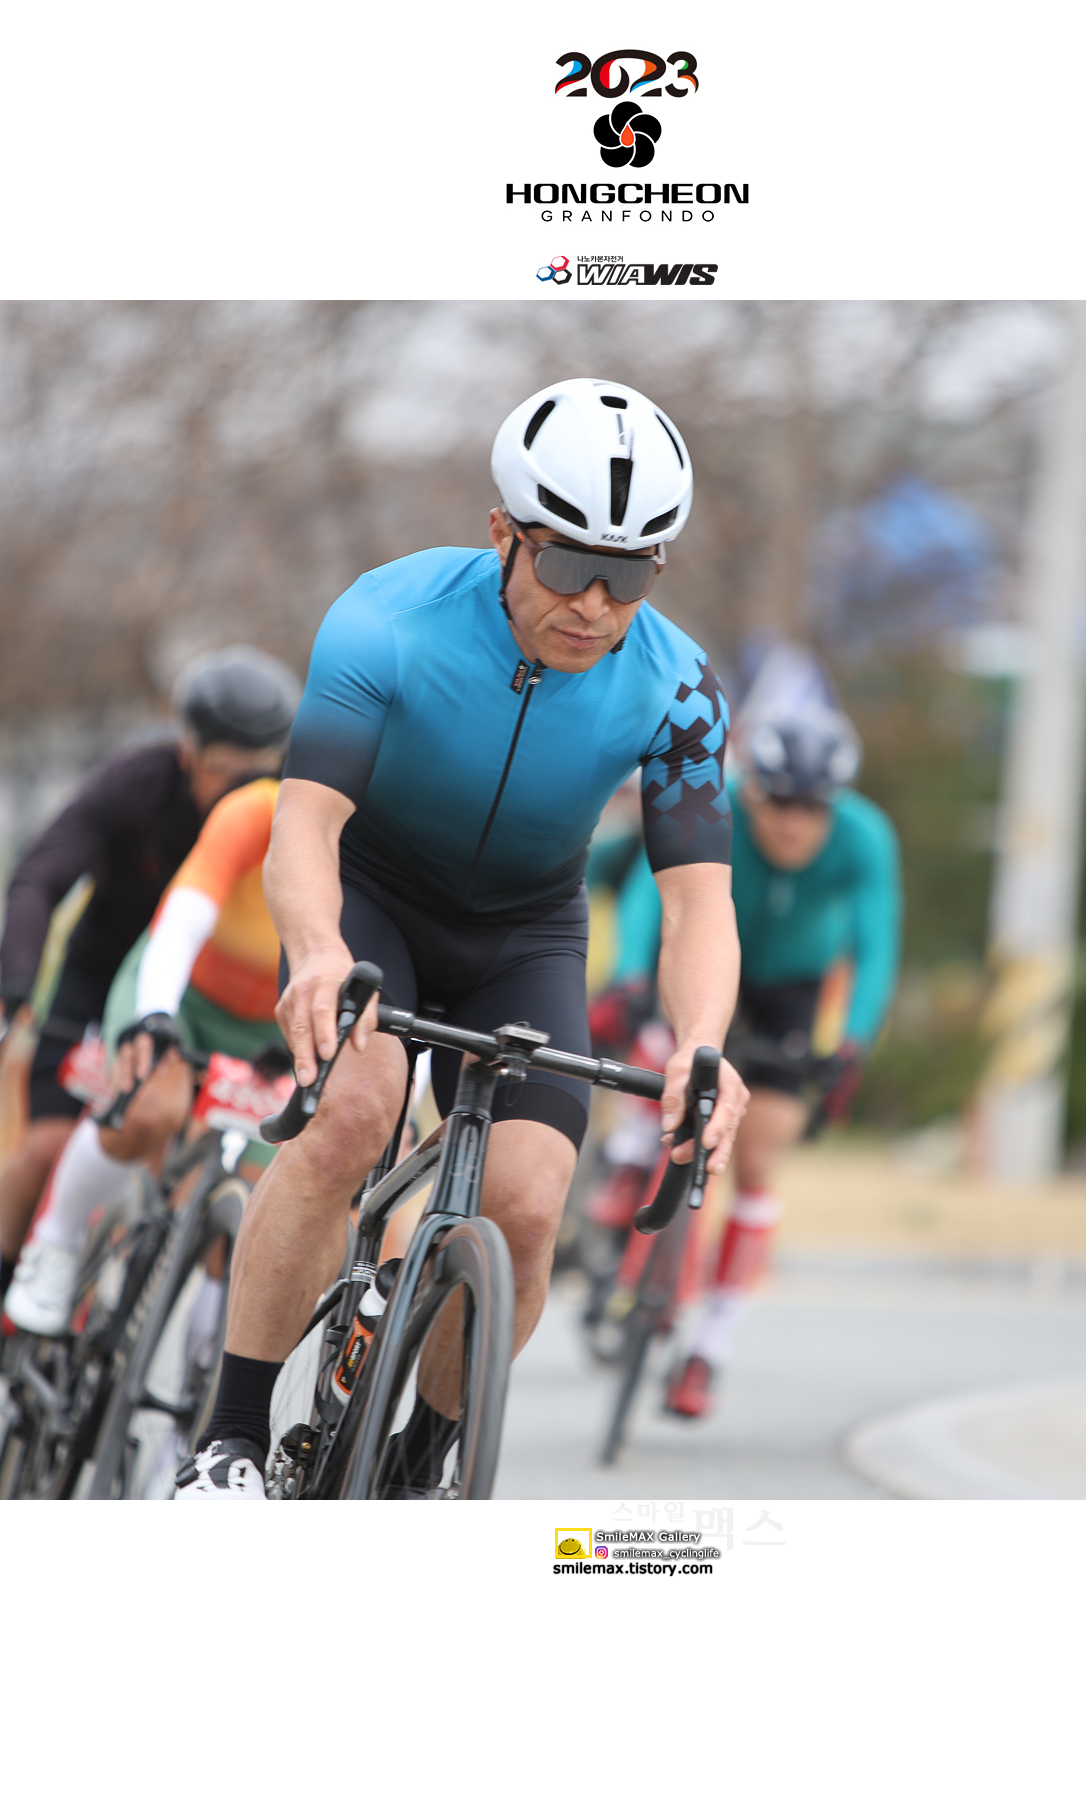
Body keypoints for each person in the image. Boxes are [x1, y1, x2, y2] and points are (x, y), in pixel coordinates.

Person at [176, 375, 751, 1499]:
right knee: (353, 1113)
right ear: (502, 533)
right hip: (372, 898)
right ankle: (229, 1441)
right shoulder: (386, 618)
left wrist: (701, 1043)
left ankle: (418, 1469)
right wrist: (317, 949)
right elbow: (305, 827)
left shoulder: (681, 686)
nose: (595, 604)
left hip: (526, 934)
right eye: (567, 566)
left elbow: (697, 903)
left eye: (629, 575)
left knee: (528, 1204)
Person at [0, 648, 301, 1378]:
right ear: (187, 749)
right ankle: (6, 1289)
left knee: (219, 1186)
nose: (246, 787)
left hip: (218, 999)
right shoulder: (136, 785)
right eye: (227, 769)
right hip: (103, 984)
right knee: (52, 1147)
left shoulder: (278, 814)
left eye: (261, 770)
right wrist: (15, 982)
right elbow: (40, 875)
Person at [604, 705, 902, 1418]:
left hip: (790, 991)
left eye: (813, 807)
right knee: (663, 1047)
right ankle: (630, 1151)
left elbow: (876, 947)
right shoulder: (718, 804)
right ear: (754, 788)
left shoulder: (865, 837)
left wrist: (852, 1044)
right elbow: (649, 892)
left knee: (761, 1160)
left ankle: (711, 1345)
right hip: (710, 964)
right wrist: (630, 977)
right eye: (780, 802)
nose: (794, 823)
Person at [2, 763, 294, 1338]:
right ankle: (55, 1239)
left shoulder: (389, 848)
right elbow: (182, 921)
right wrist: (155, 1018)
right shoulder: (256, 810)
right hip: (181, 992)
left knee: (255, 1213)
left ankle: (199, 1392)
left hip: (268, 1028)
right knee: (150, 1110)